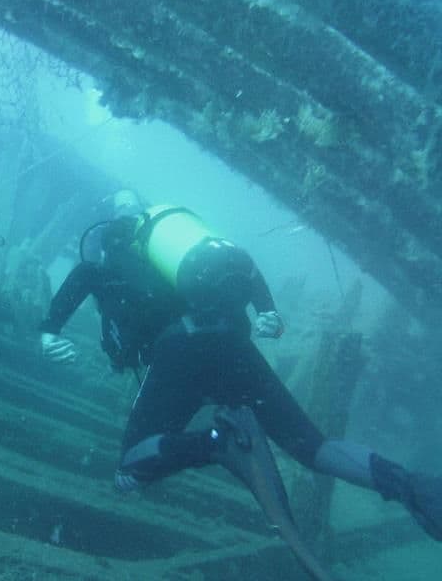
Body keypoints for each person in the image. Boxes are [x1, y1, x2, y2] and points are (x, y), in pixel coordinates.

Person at [39, 189, 442, 542]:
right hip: (231, 342)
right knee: (313, 447)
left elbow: (57, 317)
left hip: (179, 353)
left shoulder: (101, 263)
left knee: (130, 467)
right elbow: (244, 279)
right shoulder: (176, 258)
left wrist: (48, 336)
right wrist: (266, 311)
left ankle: (218, 444)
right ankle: (411, 487)